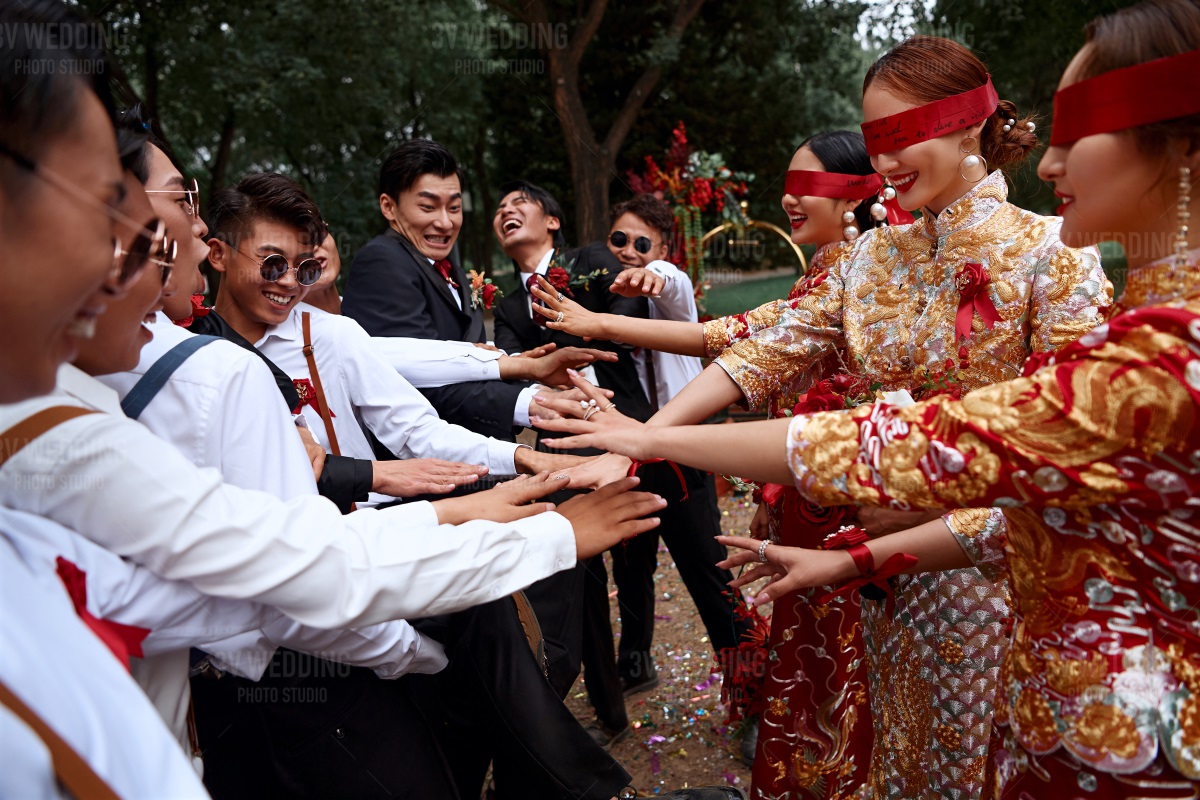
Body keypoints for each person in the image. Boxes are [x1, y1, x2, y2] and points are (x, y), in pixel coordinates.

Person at [529, 2, 1200, 795]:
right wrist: (648, 433)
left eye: (899, 134)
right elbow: (768, 345)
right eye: (871, 139)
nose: (882, 160)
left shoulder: (1055, 259)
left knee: (956, 770)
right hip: (880, 568)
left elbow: (984, 456)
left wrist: (650, 439)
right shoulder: (872, 255)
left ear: (968, 124)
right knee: (892, 757)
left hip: (988, 586)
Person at [583, 192, 752, 728]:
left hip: (680, 457)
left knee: (711, 574)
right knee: (631, 570)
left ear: (661, 251)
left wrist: (654, 274)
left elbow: (672, 284)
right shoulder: (598, 304)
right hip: (624, 459)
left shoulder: (668, 299)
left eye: (643, 244)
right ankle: (635, 663)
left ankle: (750, 694)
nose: (628, 252)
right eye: (619, 240)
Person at [343, 140, 608, 441]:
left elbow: (467, 362)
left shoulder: (455, 271)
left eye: (454, 208)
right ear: (389, 207)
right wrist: (532, 400)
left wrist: (527, 374)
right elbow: (416, 377)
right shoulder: (382, 260)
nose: (446, 222)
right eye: (428, 207)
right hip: (435, 456)